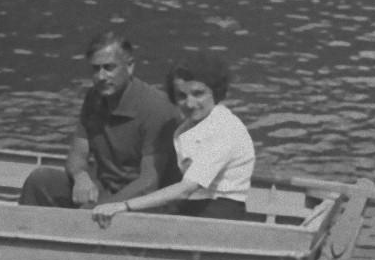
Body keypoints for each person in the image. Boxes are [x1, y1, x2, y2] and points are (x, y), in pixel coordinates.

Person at [91, 51, 255, 226]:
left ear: (215, 92)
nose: (190, 104)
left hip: (220, 215)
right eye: (182, 96)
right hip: (194, 206)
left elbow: (185, 189)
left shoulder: (224, 128)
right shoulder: (189, 127)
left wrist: (124, 205)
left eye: (198, 94)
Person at [19, 31, 178, 209]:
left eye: (109, 68)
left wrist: (103, 208)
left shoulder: (156, 107)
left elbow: (149, 182)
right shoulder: (94, 98)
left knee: (89, 211)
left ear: (130, 66)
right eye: (96, 69)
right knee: (40, 180)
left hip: (146, 203)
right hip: (106, 189)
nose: (101, 77)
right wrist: (81, 177)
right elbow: (77, 155)